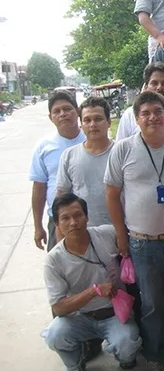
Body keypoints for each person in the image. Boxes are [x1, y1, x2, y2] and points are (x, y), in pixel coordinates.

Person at [105, 91, 164, 371]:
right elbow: (112, 194)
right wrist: (121, 235)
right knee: (153, 306)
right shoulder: (124, 149)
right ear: (137, 118)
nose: (152, 117)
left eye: (158, 110)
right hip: (142, 242)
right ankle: (156, 358)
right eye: (145, 113)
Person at [42, 193, 141, 371]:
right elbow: (58, 308)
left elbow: (132, 237)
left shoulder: (107, 234)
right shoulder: (53, 261)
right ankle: (74, 362)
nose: (73, 222)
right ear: (57, 224)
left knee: (127, 345)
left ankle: (122, 352)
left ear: (87, 217)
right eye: (65, 218)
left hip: (114, 314)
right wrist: (93, 291)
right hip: (80, 318)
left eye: (78, 215)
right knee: (55, 335)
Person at [30, 90, 86, 251]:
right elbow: (39, 188)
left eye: (67, 109)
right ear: (50, 117)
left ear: (77, 111)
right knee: (62, 269)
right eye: (57, 111)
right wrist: (38, 226)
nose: (63, 114)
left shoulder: (92, 139)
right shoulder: (44, 147)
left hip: (91, 219)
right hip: (59, 220)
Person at [56, 96, 114, 227]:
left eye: (98, 119)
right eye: (87, 120)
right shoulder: (69, 156)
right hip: (82, 232)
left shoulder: (121, 153)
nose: (93, 125)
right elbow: (61, 198)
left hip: (119, 231)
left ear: (109, 122)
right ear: (81, 124)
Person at [115, 63, 164, 140]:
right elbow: (121, 146)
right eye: (154, 83)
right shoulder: (130, 115)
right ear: (146, 86)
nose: (159, 87)